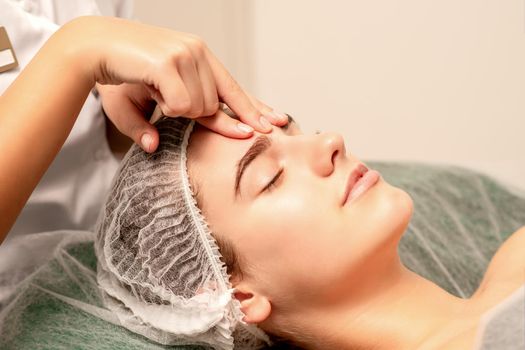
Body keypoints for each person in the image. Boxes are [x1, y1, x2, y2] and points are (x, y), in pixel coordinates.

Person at [0, 15, 288, 245]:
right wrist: (77, 52)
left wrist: (132, 107)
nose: (330, 142)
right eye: (271, 179)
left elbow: (98, 141)